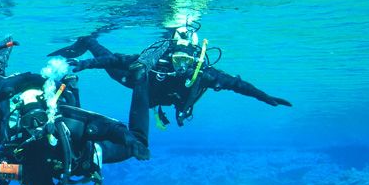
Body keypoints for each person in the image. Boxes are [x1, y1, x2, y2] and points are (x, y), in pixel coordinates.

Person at [50, 24, 292, 129]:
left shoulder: (204, 74)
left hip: (153, 96)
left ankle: (87, 43)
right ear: (171, 55)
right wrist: (86, 64)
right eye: (178, 59)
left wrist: (265, 97)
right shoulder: (158, 62)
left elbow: (238, 85)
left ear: (195, 59)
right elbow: (117, 60)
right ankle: (86, 41)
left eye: (186, 61)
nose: (181, 66)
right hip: (136, 84)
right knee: (108, 61)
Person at [0, 85, 149, 185]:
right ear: (21, 123)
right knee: (17, 171)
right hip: (43, 172)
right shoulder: (18, 143)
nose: (35, 126)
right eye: (28, 121)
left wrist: (131, 141)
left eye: (40, 118)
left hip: (87, 158)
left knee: (139, 140)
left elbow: (108, 127)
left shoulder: (70, 122)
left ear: (49, 114)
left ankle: (139, 78)